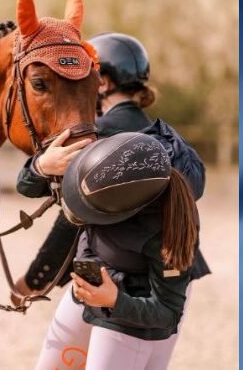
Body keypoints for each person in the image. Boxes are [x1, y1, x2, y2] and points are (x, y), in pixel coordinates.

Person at [34, 133, 210, 370]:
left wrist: (115, 300)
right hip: (93, 296)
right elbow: (89, 232)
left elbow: (168, 312)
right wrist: (87, 269)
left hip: (131, 320)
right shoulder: (107, 189)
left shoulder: (166, 236)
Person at [13, 33, 164, 297]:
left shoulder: (95, 139)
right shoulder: (165, 133)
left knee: (58, 341)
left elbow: (69, 220)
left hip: (115, 277)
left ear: (101, 83)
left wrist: (36, 280)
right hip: (169, 273)